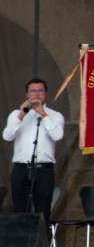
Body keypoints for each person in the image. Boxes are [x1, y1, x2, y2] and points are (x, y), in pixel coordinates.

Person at [2, 79, 64, 228]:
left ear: (46, 94)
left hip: (43, 170)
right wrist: (21, 116)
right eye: (33, 91)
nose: (37, 94)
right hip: (21, 169)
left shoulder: (55, 116)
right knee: (20, 211)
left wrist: (43, 114)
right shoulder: (16, 114)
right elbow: (7, 136)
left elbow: (57, 135)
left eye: (40, 91)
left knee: (43, 212)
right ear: (26, 94)